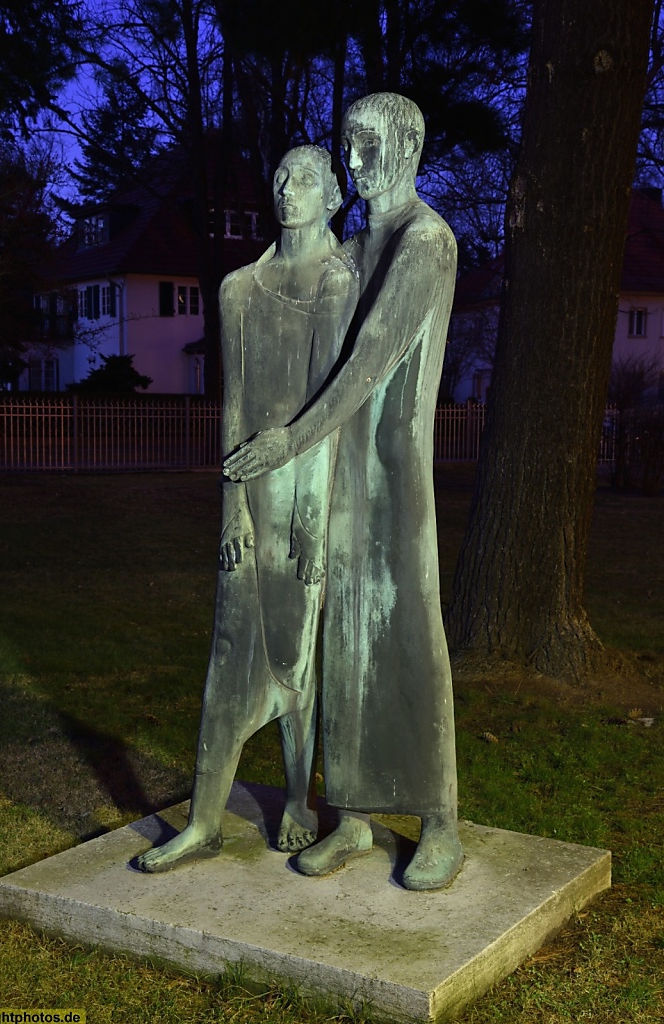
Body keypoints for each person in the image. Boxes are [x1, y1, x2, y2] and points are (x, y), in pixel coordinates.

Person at [224, 93, 463, 891]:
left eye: (368, 145)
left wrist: (289, 438)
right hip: (338, 471)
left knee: (409, 633)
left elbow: (366, 360)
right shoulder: (353, 247)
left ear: (408, 148)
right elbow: (300, 325)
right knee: (345, 641)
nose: (354, 161)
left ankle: (440, 820)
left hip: (395, 472)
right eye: (348, 145)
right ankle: (354, 814)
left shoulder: (426, 243)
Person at [138, 146, 358, 872]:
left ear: (333, 194)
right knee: (229, 651)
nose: (288, 190)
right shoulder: (239, 288)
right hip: (251, 492)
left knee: (297, 653)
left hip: (307, 488)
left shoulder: (337, 280)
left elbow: (329, 409)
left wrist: (311, 514)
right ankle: (204, 819)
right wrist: (232, 508)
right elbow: (233, 405)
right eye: (281, 180)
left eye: (305, 180)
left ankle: (298, 797)